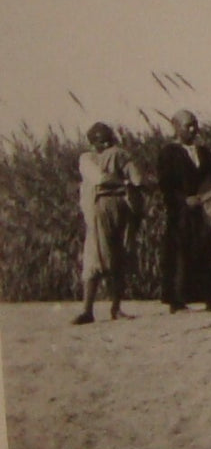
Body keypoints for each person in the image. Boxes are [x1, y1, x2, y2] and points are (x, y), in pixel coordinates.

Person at [156, 109, 211, 313]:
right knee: (180, 253)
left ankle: (210, 299)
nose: (193, 129)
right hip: (180, 211)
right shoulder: (169, 152)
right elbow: (165, 184)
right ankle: (177, 301)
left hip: (203, 208)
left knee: (206, 249)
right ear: (176, 127)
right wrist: (183, 200)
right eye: (188, 125)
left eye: (195, 124)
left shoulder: (203, 151)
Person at [73, 122, 145, 325]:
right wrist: (125, 183)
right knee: (117, 254)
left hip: (101, 206)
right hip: (122, 205)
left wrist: (121, 182)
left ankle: (90, 310)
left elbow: (100, 179)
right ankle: (114, 308)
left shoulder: (88, 158)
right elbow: (138, 180)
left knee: (95, 256)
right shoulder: (122, 154)